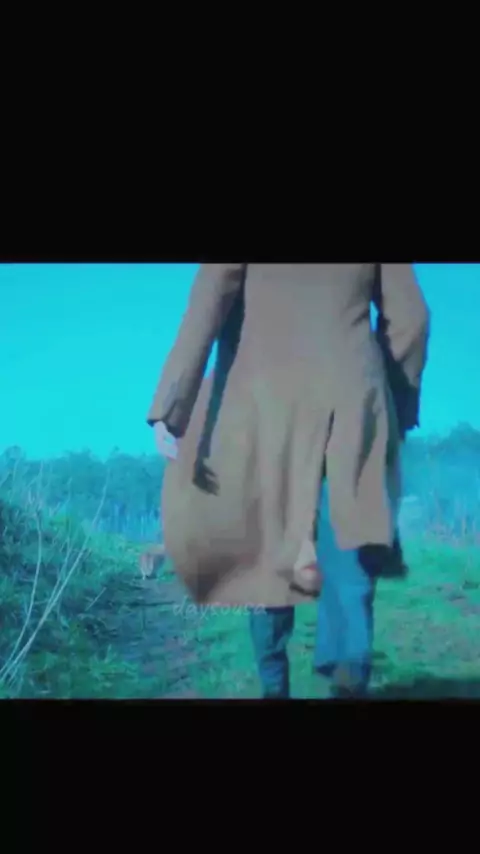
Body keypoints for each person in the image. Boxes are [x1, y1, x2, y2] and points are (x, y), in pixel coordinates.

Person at [147, 264, 430, 698]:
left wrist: (172, 404)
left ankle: (274, 688)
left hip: (266, 401)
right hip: (351, 395)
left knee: (270, 549)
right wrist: (397, 402)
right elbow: (411, 318)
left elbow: (209, 302)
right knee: (349, 538)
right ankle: (348, 678)